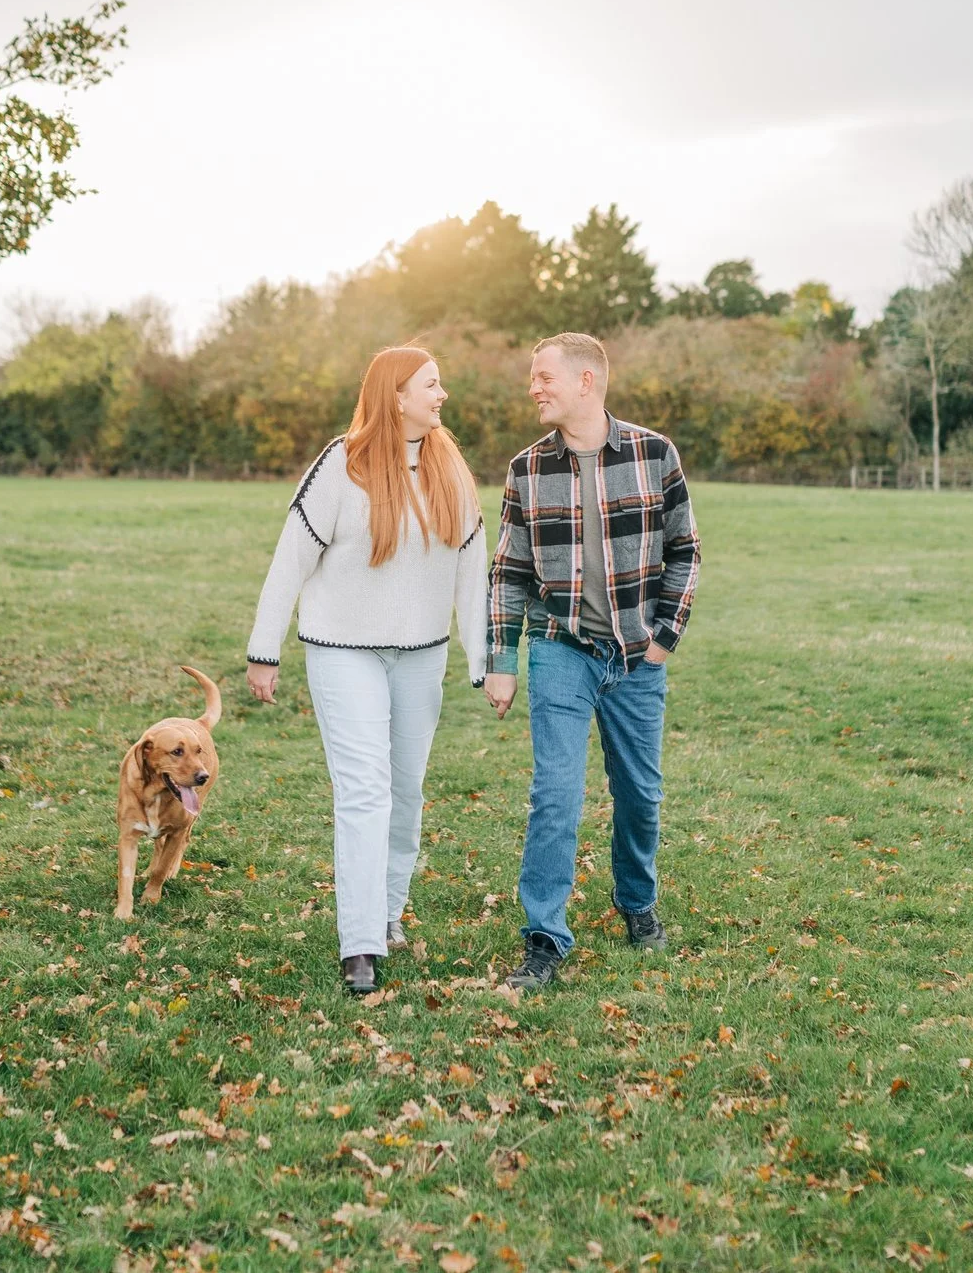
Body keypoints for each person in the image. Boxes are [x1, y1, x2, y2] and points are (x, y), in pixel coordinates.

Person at [247, 346, 487, 996]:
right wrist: (263, 647)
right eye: (431, 385)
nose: (442, 395)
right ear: (397, 394)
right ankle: (360, 944)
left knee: (404, 790)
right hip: (342, 649)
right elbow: (291, 555)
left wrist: (484, 659)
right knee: (364, 791)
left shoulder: (448, 464)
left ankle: (387, 911)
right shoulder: (342, 463)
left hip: (420, 653)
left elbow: (473, 569)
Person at [484, 332, 700, 991]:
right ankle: (544, 938)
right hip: (560, 649)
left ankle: (636, 899)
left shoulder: (653, 453)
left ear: (585, 381)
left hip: (637, 655)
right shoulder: (526, 468)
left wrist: (664, 637)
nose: (533, 386)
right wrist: (502, 656)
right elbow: (508, 571)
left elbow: (686, 552)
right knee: (555, 794)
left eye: (543, 375)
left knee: (641, 794)